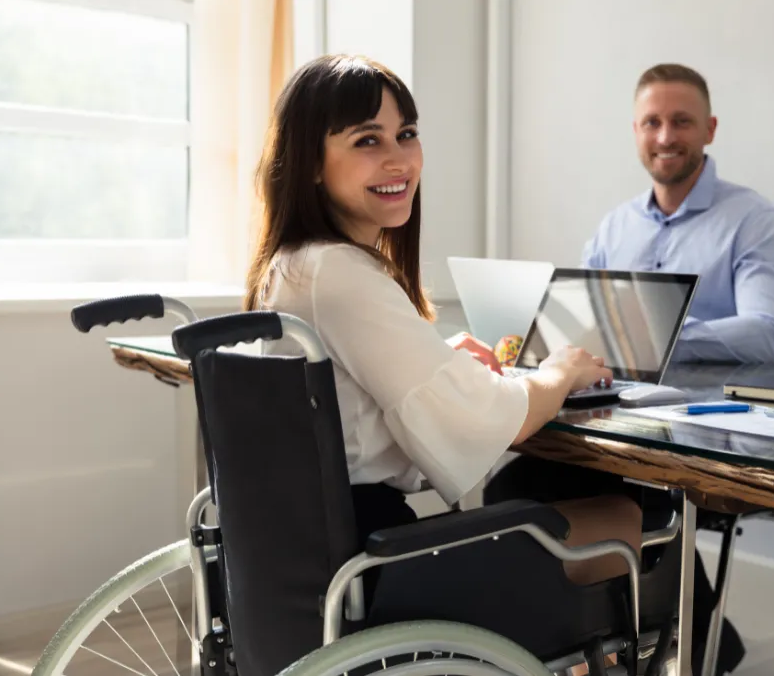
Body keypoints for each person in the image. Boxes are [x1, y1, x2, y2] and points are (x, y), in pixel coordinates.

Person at [243, 54, 642, 593]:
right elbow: (497, 420)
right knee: (624, 515)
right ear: (310, 162)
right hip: (376, 562)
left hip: (323, 559)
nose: (398, 160)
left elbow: (354, 406)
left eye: (405, 134)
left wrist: (440, 359)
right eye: (367, 140)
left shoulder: (293, 265)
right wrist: (561, 369)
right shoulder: (336, 270)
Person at [582, 63, 774, 366]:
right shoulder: (613, 227)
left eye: (681, 122)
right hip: (614, 405)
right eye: (651, 123)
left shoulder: (755, 221)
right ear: (635, 131)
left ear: (710, 130)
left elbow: (770, 336)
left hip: (712, 410)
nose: (665, 138)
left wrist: (661, 337)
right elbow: (581, 326)